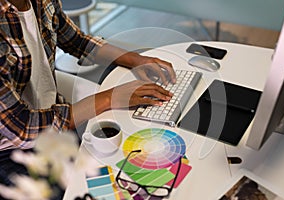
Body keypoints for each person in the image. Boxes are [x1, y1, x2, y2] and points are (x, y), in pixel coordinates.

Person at [0, 0, 175, 186]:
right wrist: (110, 98)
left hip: (57, 120)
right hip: (12, 152)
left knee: (130, 169)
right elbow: (24, 128)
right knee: (98, 185)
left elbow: (75, 40)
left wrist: (135, 59)